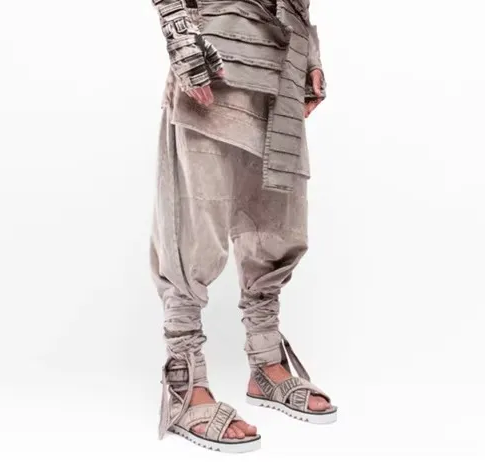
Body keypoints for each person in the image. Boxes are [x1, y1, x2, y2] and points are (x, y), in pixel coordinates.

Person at [149, 0, 336, 452]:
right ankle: (186, 385)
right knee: (195, 227)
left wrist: (310, 53)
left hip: (281, 62)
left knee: (277, 224)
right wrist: (182, 37)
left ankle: (267, 365)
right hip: (212, 56)